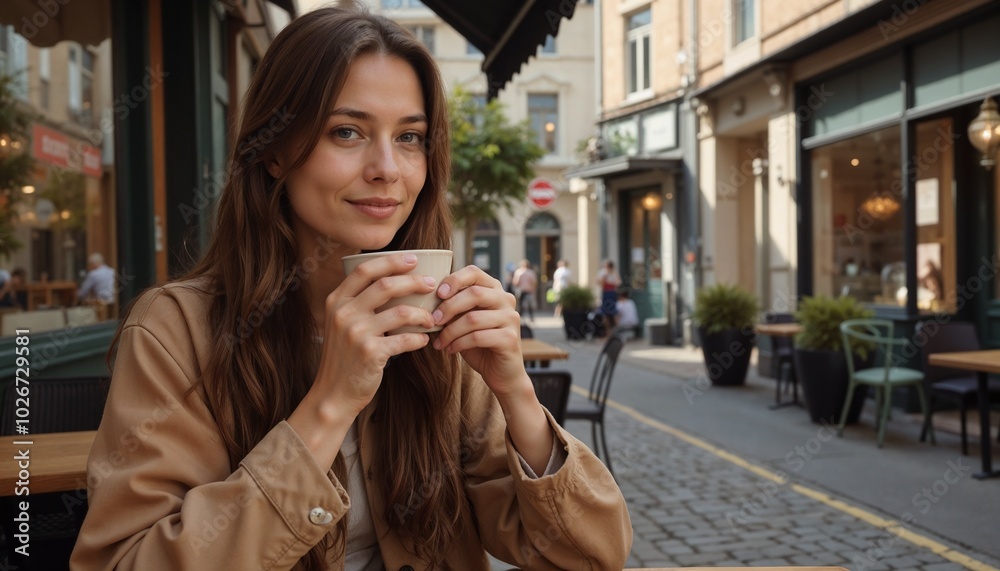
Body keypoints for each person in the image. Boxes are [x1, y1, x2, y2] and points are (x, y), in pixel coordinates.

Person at [70, 5, 631, 571]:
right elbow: (126, 561)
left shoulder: (435, 324)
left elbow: (591, 556)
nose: (387, 167)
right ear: (273, 151)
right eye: (347, 131)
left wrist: (517, 396)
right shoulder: (176, 331)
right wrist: (331, 402)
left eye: (410, 136)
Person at [596, 259, 621, 333]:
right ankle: (607, 332)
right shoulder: (602, 273)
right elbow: (599, 283)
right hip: (605, 294)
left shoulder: (614, 273)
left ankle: (616, 332)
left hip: (612, 294)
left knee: (614, 313)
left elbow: (618, 282)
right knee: (605, 314)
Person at [511, 258, 538, 324]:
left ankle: (519, 318)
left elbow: (515, 282)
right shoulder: (531, 272)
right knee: (529, 305)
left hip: (521, 290)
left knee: (520, 305)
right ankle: (531, 318)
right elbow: (534, 282)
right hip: (529, 290)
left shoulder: (518, 272)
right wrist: (533, 289)